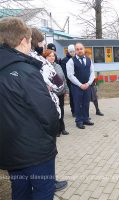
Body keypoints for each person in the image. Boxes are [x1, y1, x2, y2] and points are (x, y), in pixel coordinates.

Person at [0, 17, 58, 199]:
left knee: (19, 191)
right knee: (43, 191)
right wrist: (53, 133)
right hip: (35, 151)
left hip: (9, 148)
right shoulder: (25, 71)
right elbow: (47, 113)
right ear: (23, 41)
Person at [29, 28, 68, 192]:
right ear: (38, 43)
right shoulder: (40, 60)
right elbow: (58, 84)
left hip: (26, 116)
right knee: (48, 152)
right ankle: (49, 183)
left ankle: (35, 183)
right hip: (44, 112)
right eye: (43, 43)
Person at [67, 42, 95, 129]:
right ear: (75, 51)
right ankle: (78, 121)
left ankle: (86, 119)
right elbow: (70, 75)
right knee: (78, 104)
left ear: (83, 49)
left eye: (81, 49)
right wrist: (80, 85)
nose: (80, 51)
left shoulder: (88, 60)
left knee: (86, 103)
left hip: (87, 86)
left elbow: (92, 73)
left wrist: (88, 83)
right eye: (77, 49)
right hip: (76, 87)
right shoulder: (71, 61)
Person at [43, 49, 70, 137]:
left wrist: (66, 90)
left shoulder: (58, 66)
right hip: (51, 94)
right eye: (49, 56)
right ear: (45, 57)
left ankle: (62, 128)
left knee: (61, 111)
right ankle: (56, 130)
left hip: (60, 93)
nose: (52, 58)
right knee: (54, 112)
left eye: (53, 56)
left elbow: (62, 79)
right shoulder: (43, 68)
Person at [85, 49, 104, 116]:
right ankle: (86, 113)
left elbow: (92, 72)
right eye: (89, 54)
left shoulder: (90, 61)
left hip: (91, 82)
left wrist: (93, 80)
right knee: (86, 99)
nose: (90, 55)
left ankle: (97, 110)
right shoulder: (85, 61)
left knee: (94, 97)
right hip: (86, 82)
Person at [61, 44, 76, 117]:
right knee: (73, 97)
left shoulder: (77, 58)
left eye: (73, 51)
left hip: (79, 81)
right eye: (71, 52)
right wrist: (70, 77)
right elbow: (63, 71)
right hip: (70, 81)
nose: (72, 53)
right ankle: (73, 111)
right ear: (68, 52)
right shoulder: (65, 60)